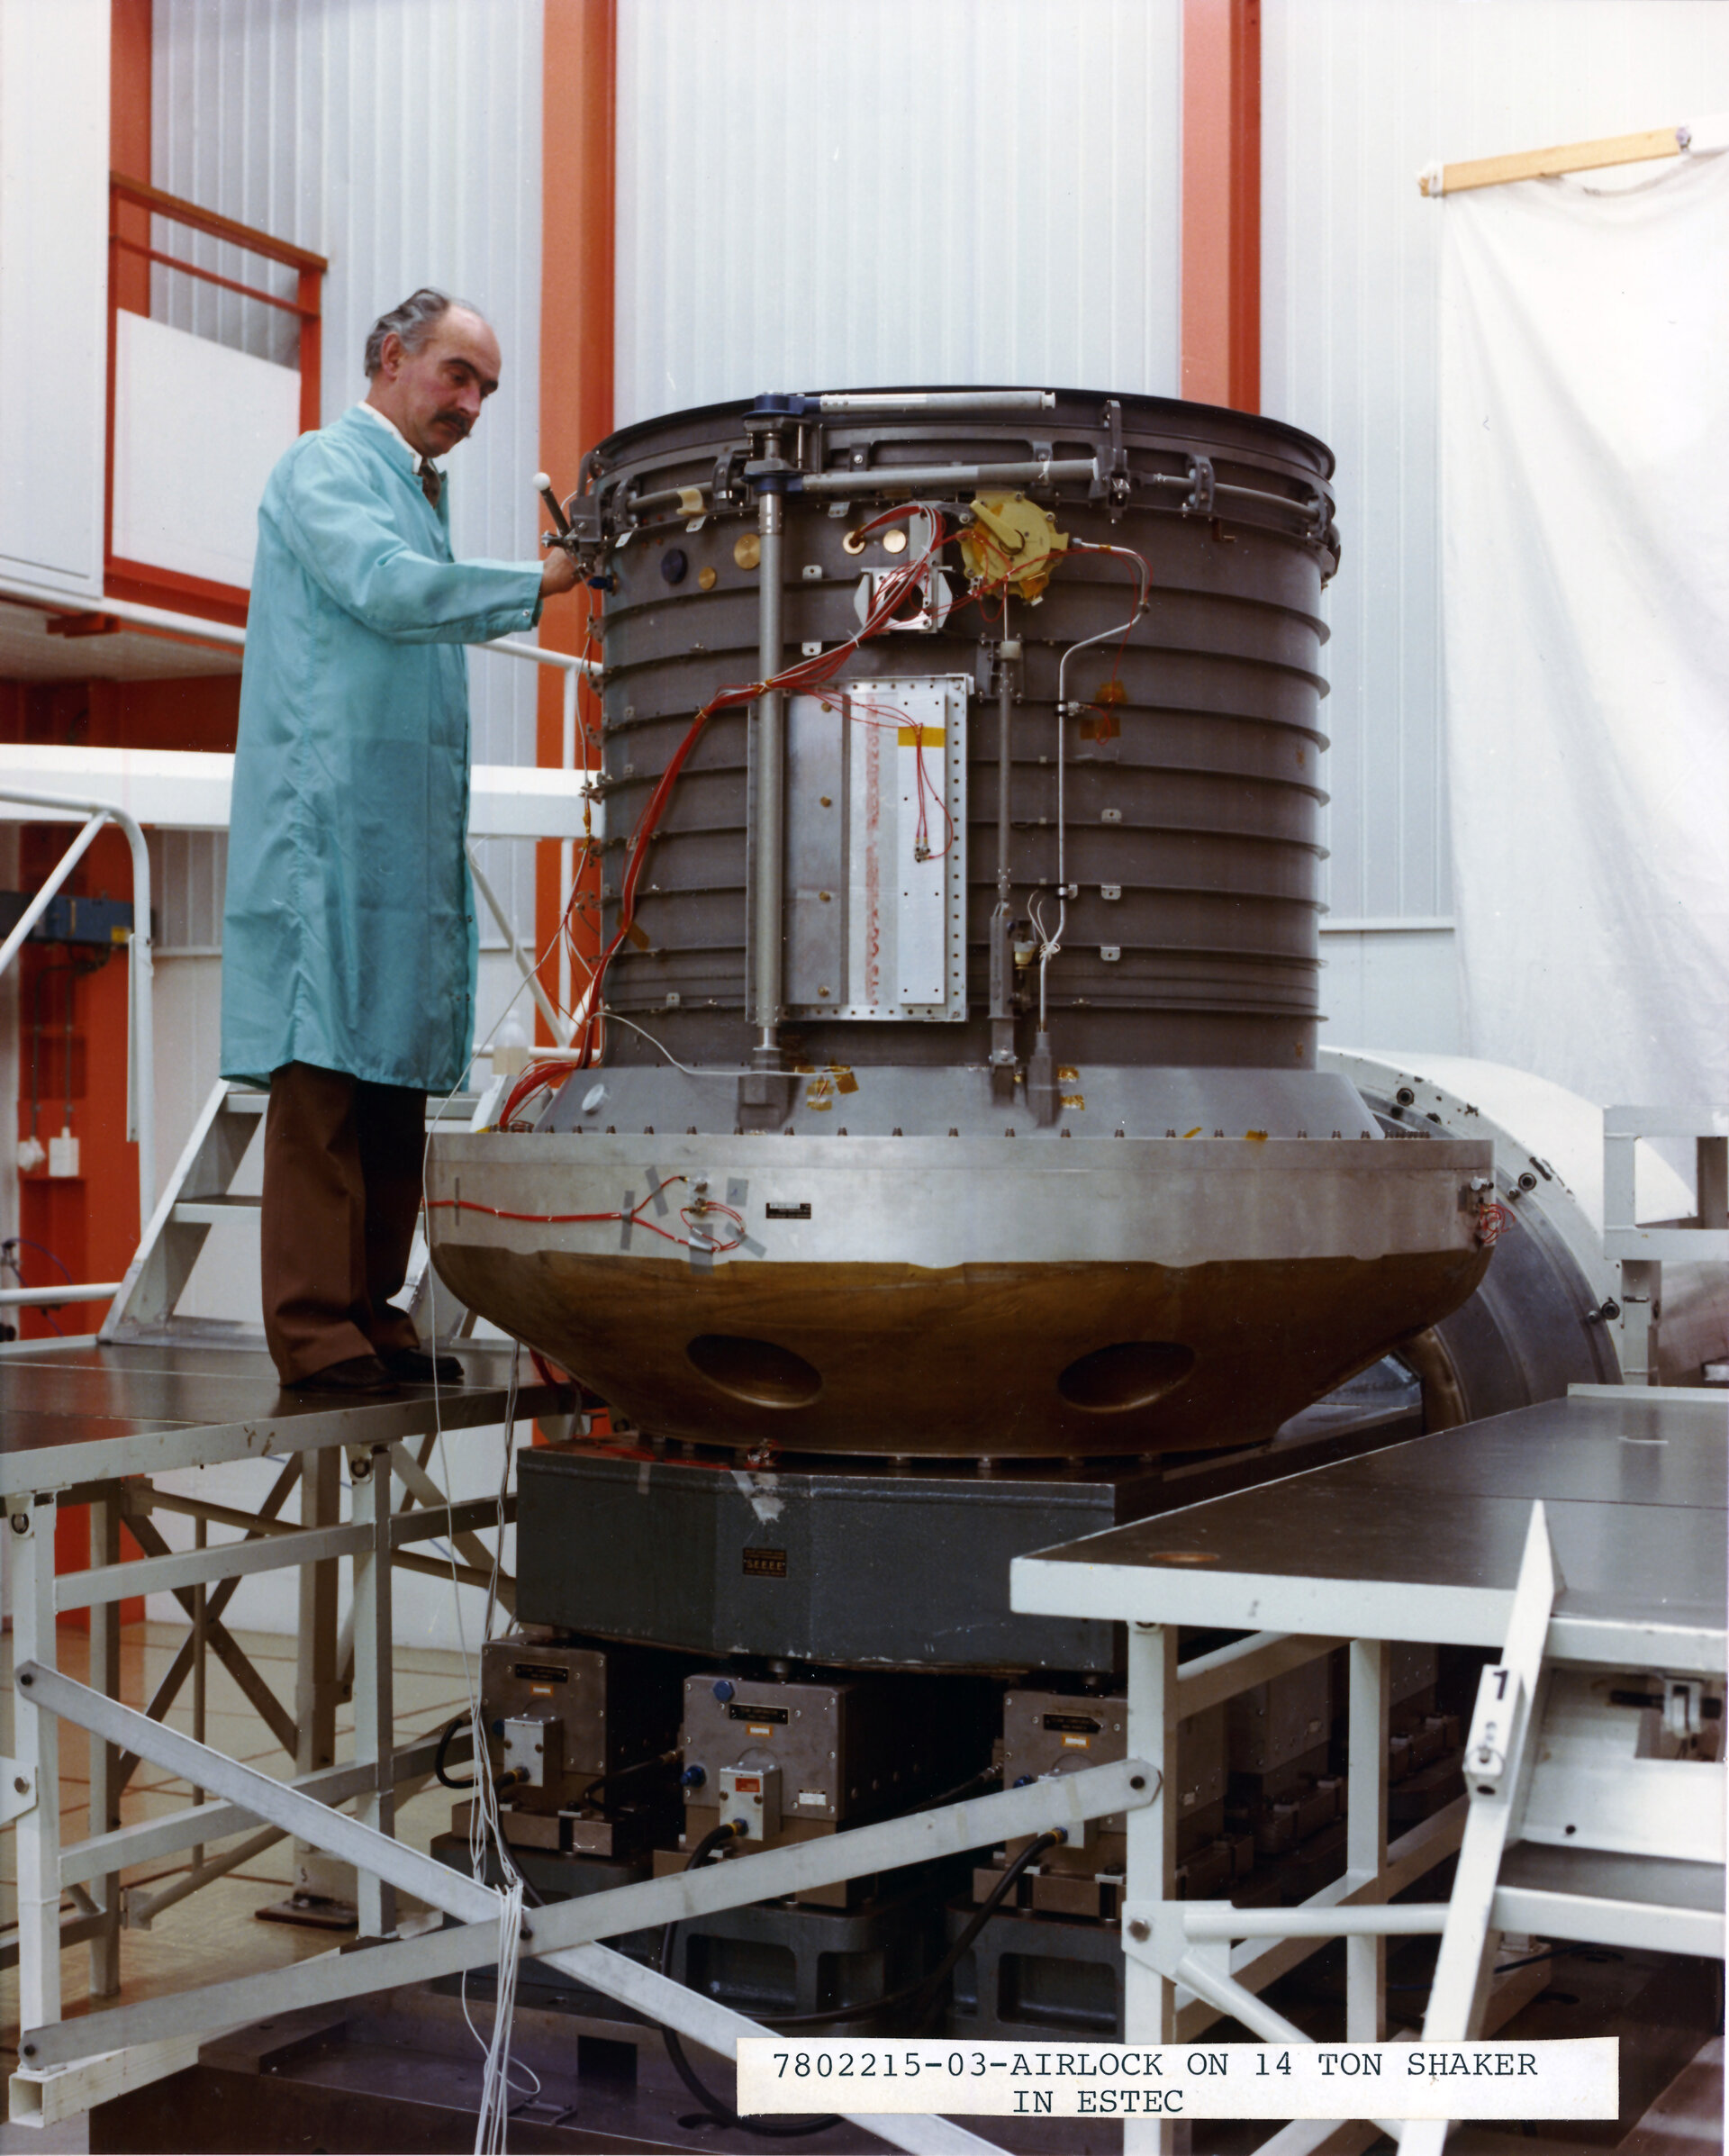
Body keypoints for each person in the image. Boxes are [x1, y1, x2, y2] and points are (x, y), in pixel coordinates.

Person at [221, 288, 578, 1394]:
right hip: (327, 826)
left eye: (485, 391)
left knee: (390, 1077)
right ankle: (314, 1330)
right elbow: (381, 590)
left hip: (399, 835)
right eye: (456, 376)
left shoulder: (419, 497)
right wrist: (539, 583)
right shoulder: (326, 469)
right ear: (390, 358)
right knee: (325, 1068)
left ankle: (372, 1314)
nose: (471, 405)